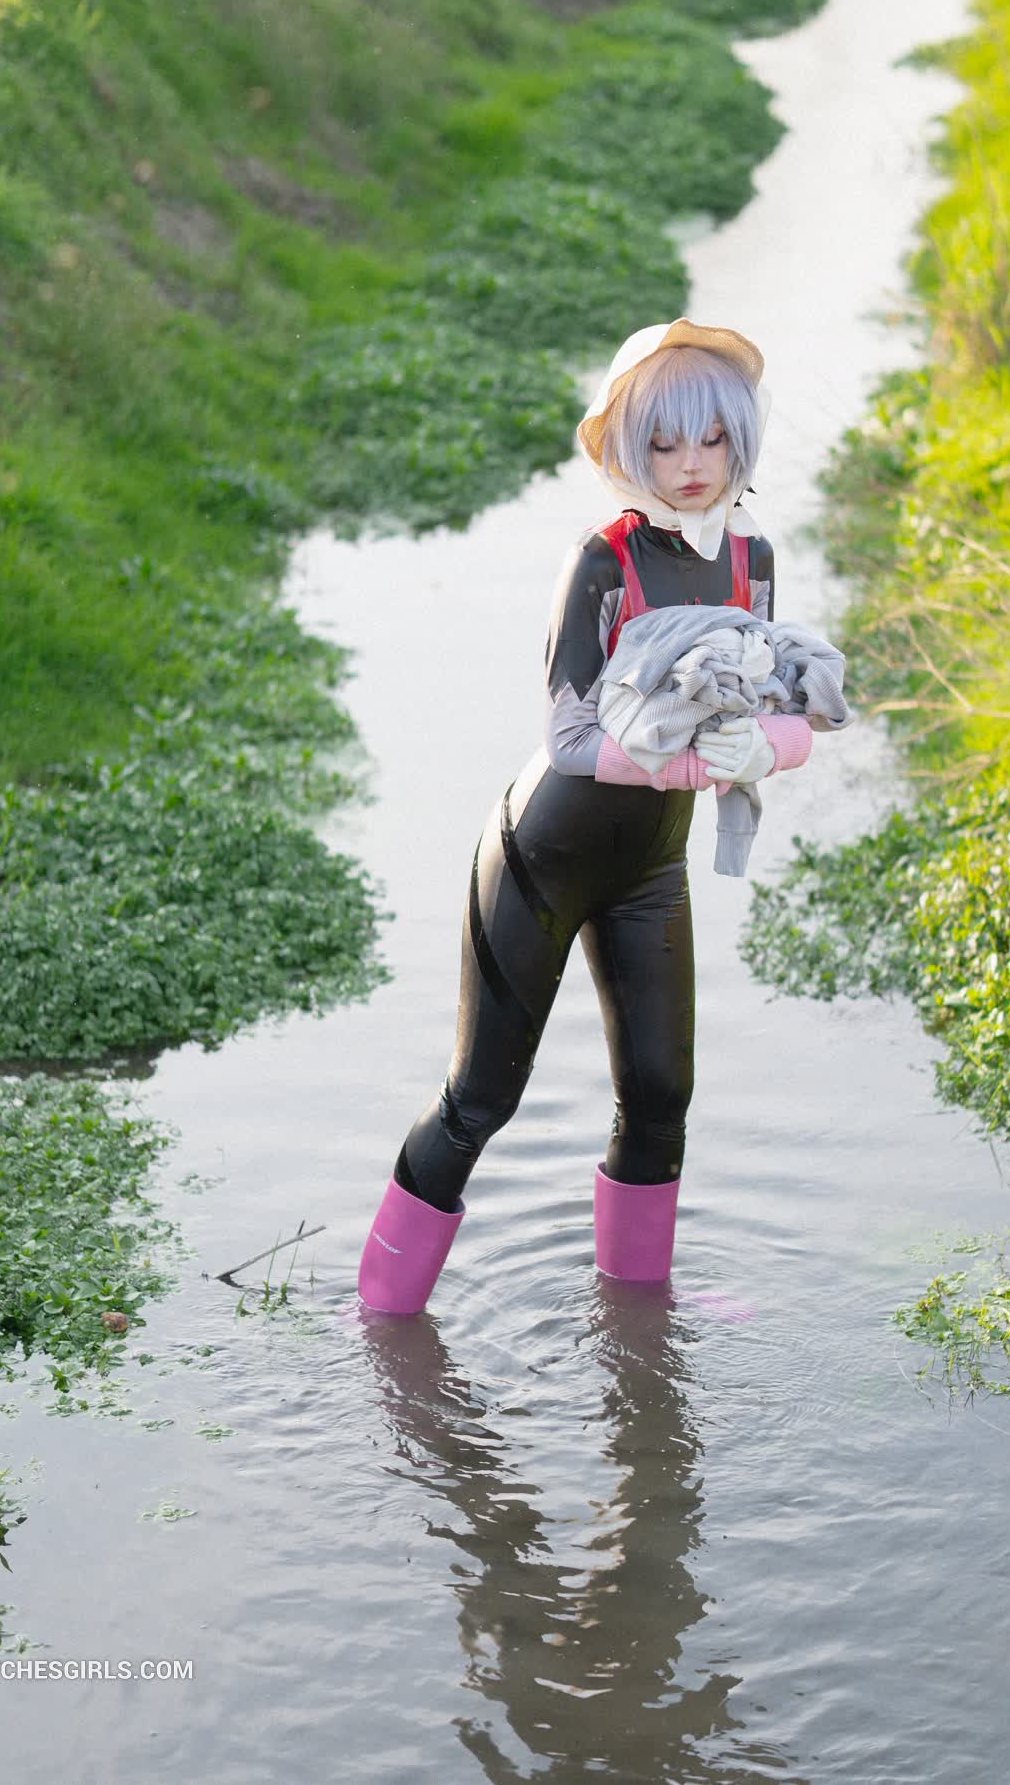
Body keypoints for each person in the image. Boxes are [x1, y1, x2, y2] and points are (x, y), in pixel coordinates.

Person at [357, 318, 814, 1315]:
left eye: (711, 439)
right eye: (663, 442)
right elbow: (568, 738)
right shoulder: (602, 562)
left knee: (660, 1096)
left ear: (741, 438)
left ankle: (639, 1322)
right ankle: (383, 1320)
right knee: (481, 1098)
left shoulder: (753, 559)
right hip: (542, 854)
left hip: (650, 867)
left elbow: (784, 707)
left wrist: (764, 748)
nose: (690, 464)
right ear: (627, 447)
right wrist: (690, 762)